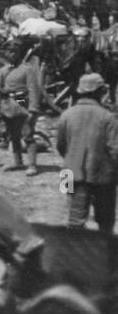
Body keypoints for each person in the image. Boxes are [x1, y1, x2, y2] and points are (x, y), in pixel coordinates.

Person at [56, 73, 118, 232]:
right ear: (99, 92)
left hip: (68, 175)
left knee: (74, 220)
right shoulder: (108, 117)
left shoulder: (66, 115)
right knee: (105, 221)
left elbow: (61, 146)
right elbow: (115, 150)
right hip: (101, 175)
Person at [0, 41, 44, 176]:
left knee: (28, 135)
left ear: (20, 53)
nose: (12, 55)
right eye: (9, 52)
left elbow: (33, 90)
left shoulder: (27, 69)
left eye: (14, 52)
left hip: (21, 101)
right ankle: (17, 162)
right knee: (13, 136)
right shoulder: (3, 71)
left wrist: (33, 110)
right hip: (7, 104)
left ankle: (32, 165)